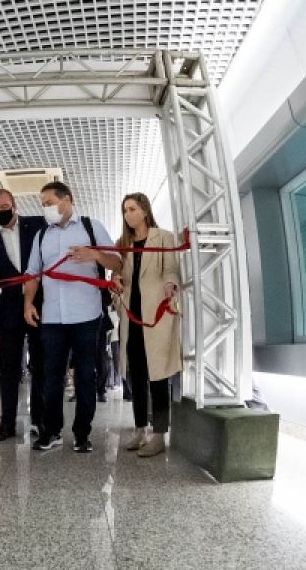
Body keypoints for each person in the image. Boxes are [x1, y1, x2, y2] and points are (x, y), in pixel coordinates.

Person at [24, 181, 121, 453]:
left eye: (49, 203)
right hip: (52, 317)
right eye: (43, 204)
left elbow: (118, 262)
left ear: (67, 200)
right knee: (51, 377)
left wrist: (95, 254)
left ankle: (82, 434)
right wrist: (28, 303)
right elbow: (32, 273)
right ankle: (51, 431)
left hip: (87, 315)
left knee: (85, 376)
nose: (46, 208)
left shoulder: (91, 227)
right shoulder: (42, 236)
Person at [114, 192, 181, 458]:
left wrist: (170, 284)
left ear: (144, 210)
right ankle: (140, 430)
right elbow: (118, 274)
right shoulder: (123, 243)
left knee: (158, 377)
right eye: (125, 210)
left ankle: (159, 435)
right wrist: (116, 280)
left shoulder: (163, 237)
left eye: (132, 209)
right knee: (137, 376)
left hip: (156, 317)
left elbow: (171, 269)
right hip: (132, 318)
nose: (128, 214)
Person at [0, 189, 47, 441]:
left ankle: (40, 421)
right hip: (9, 309)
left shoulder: (39, 225)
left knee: (40, 364)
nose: (0, 212)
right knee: (9, 368)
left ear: (14, 204)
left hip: (40, 305)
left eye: (4, 206)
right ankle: (7, 424)